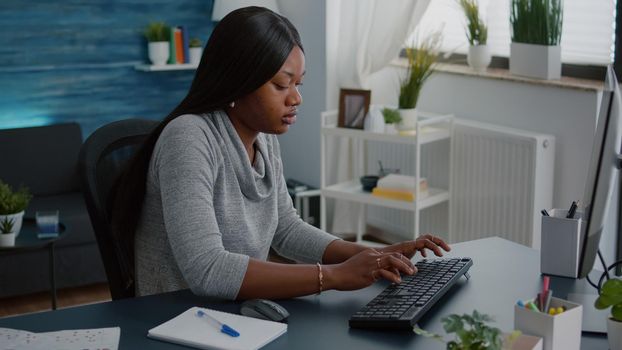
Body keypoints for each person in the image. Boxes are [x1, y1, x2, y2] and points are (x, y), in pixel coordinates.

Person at [110, 6, 451, 300]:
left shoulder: (263, 138)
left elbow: (285, 229)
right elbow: (208, 269)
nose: (296, 98)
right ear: (238, 80)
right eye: (280, 85)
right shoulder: (189, 137)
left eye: (298, 84)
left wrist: (374, 255)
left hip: (238, 310)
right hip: (177, 321)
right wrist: (331, 277)